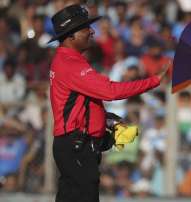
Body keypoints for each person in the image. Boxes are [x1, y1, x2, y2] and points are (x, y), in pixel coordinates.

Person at [48, 4, 167, 202]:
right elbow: (110, 91)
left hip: (75, 145)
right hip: (77, 145)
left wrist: (106, 119)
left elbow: (81, 104)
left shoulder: (67, 60)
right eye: (85, 28)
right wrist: (153, 81)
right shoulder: (71, 63)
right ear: (71, 35)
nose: (92, 31)